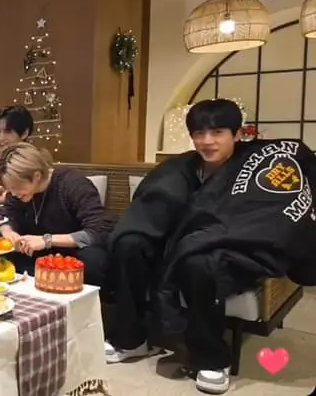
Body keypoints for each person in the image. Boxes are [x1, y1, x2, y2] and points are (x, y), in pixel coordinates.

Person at [105, 99, 316, 394]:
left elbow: (266, 213)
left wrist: (200, 240)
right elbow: (156, 207)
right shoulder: (183, 168)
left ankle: (212, 359)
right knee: (130, 244)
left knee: (200, 263)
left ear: (237, 134)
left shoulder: (254, 166)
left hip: (236, 249)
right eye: (199, 134)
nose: (207, 141)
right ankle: (131, 340)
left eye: (217, 132)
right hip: (182, 240)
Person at [0, 142, 112, 287]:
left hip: (72, 252)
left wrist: (47, 240)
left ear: (37, 176)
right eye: (10, 189)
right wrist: (9, 232)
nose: (13, 193)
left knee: (93, 259)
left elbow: (99, 230)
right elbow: (7, 214)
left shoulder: (73, 184)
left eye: (16, 187)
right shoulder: (19, 193)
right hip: (36, 253)